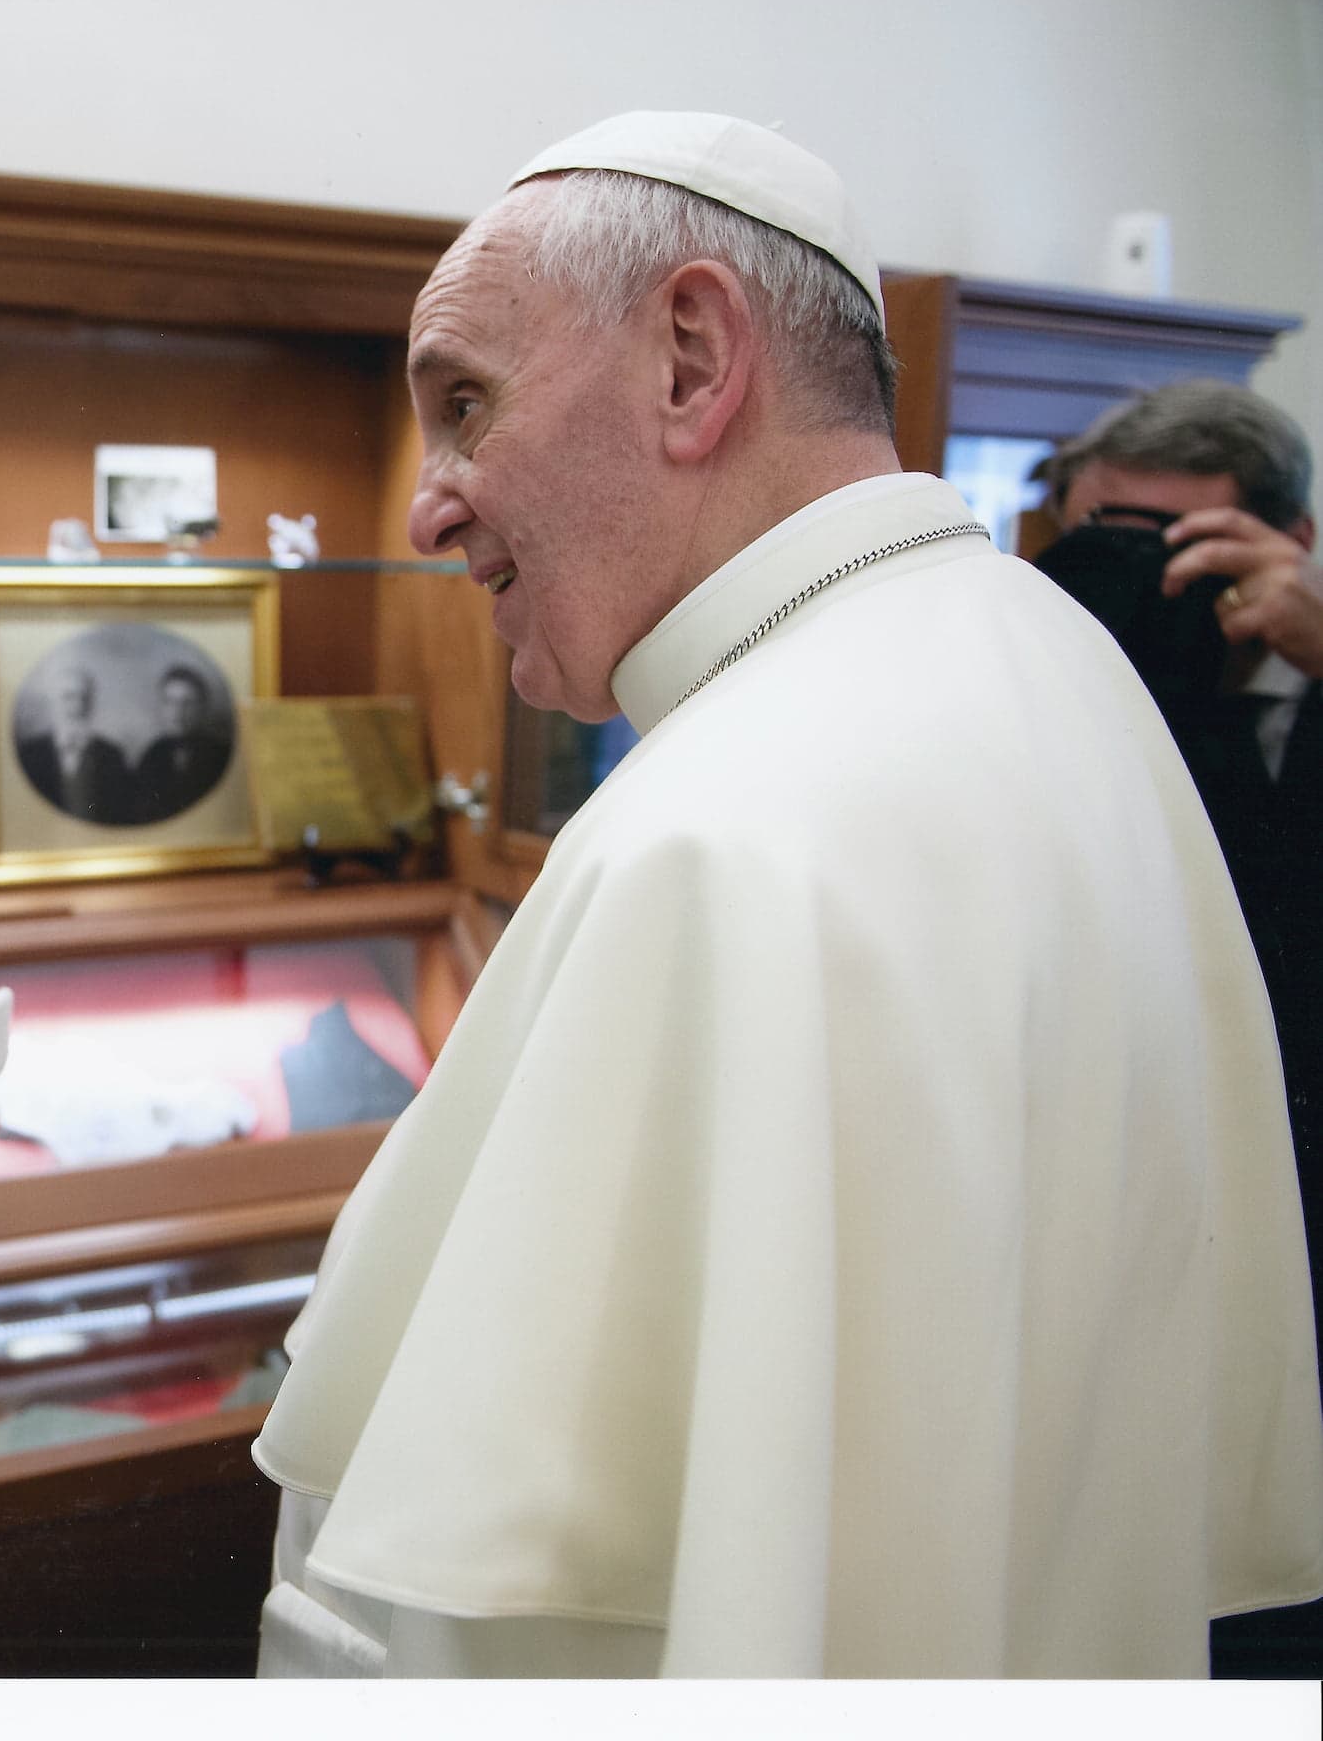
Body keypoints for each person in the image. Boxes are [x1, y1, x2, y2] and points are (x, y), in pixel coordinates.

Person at [251, 111, 1323, 1677]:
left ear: (692, 359)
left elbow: (497, 1632)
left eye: (467, 405)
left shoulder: (717, 826)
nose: (432, 503)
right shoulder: (1051, 659)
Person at [1030, 382, 1323, 1677]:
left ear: (1288, 541)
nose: (1136, 571)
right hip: (1128, 1236)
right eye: (1108, 532)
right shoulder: (1075, 690)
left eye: (1175, 543)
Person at [15, 665, 133, 823]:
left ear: (91, 702)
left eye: (84, 697)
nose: (77, 706)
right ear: (53, 701)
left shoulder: (112, 755)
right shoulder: (30, 753)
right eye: (68, 697)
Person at [128, 663, 233, 823]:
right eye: (170, 702)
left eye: (188, 703)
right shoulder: (152, 754)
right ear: (162, 707)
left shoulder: (221, 754)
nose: (178, 711)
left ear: (202, 708)